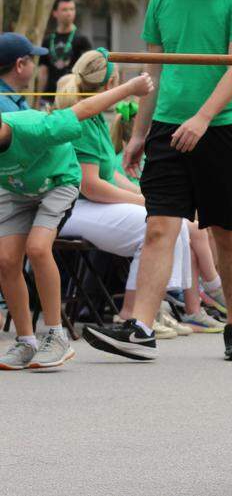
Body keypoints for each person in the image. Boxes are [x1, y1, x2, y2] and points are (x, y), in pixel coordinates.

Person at [83, 0, 232, 362]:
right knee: (159, 226)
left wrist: (202, 119)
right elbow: (153, 75)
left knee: (225, 231)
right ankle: (140, 326)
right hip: (166, 130)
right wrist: (140, 134)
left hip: (220, 130)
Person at [52, 51, 223, 335]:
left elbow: (110, 174)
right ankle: (132, 312)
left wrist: (146, 196)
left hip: (87, 206)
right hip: (71, 209)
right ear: (112, 85)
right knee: (151, 228)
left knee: (169, 220)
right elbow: (90, 186)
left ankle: (156, 308)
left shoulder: (95, 120)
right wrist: (141, 201)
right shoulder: (83, 122)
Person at [0, 70, 152, 371]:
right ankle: (26, 341)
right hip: (16, 190)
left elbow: (84, 109)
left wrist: (130, 87)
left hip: (59, 181)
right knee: (6, 260)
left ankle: (56, 336)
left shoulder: (33, 127)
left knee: (38, 248)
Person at [38, 0, 93, 105]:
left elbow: (88, 71)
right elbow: (43, 71)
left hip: (73, 97)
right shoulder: (48, 40)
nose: (69, 13)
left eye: (72, 9)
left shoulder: (82, 40)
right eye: (64, 10)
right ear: (55, 13)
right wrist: (38, 98)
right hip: (49, 97)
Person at [0, 33, 39, 113]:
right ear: (20, 65)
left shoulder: (14, 100)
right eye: (32, 60)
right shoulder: (9, 109)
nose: (34, 66)